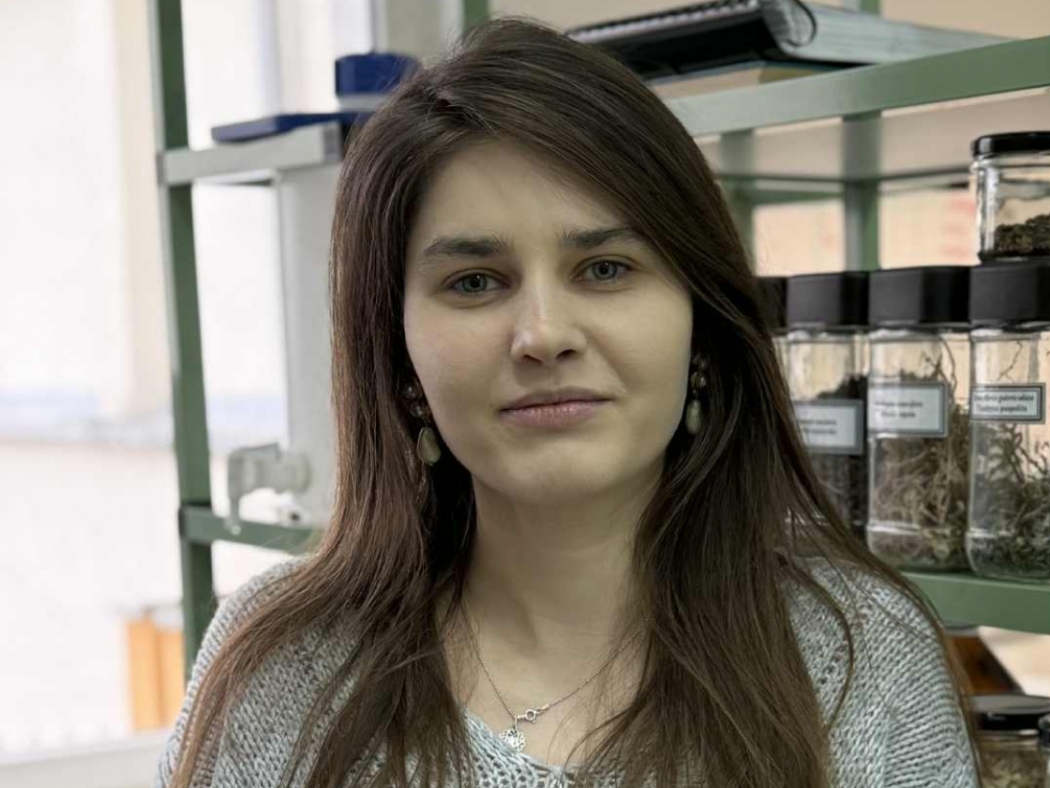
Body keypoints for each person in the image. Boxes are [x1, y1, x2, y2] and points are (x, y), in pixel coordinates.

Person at [156, 18, 978, 788]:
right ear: (400, 357)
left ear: (702, 325)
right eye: (474, 282)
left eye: (605, 269)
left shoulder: (865, 659)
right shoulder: (281, 665)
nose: (543, 335)